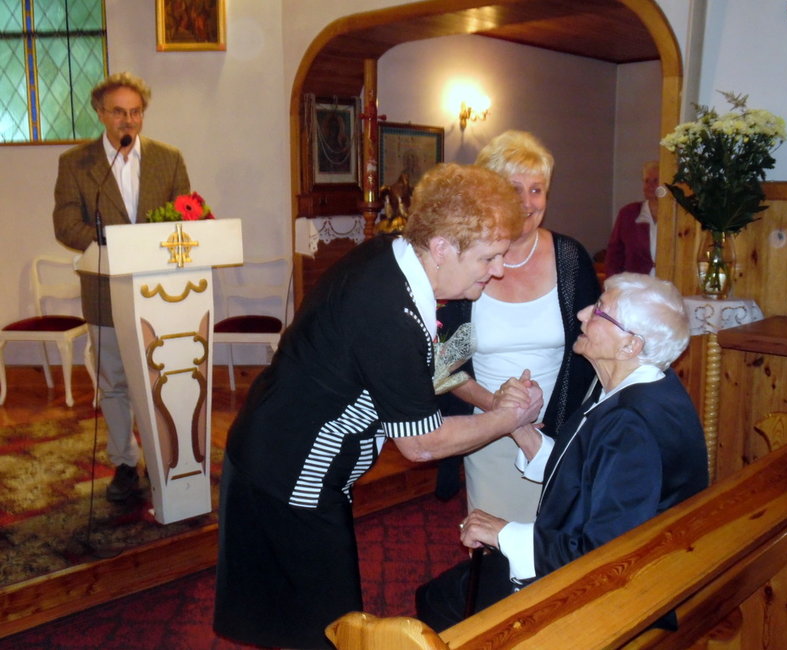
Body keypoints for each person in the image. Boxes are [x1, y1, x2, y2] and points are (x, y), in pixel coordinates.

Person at [213, 163, 545, 649]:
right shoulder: (389, 309)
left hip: (277, 448)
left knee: (300, 620)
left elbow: (430, 364)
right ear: (442, 248)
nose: (497, 270)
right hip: (290, 472)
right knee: (332, 629)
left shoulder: (394, 258)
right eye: (489, 257)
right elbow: (421, 445)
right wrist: (509, 417)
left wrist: (492, 400)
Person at [416, 273, 709, 631]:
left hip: (624, 595)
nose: (583, 313)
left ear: (630, 345)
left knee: (438, 600)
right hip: (645, 565)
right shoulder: (649, 387)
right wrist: (520, 427)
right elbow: (593, 469)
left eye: (599, 310)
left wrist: (504, 533)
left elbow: (605, 553)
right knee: (451, 589)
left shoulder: (631, 424)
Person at [436, 130, 600, 521]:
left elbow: (597, 345)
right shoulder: (467, 262)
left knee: (561, 542)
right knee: (497, 543)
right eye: (514, 189)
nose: (527, 202)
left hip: (562, 433)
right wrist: (499, 409)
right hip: (490, 434)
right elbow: (442, 366)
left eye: (536, 190)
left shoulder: (570, 259)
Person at [53, 72, 191, 502]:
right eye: (118, 112)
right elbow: (65, 224)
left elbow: (185, 217)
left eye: (135, 112)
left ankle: (165, 458)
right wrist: (110, 243)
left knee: (159, 379)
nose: (128, 120)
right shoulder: (76, 163)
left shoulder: (168, 158)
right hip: (104, 287)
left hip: (161, 293)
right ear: (100, 113)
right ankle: (125, 463)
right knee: (113, 380)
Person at [604, 160, 660, 276]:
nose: (650, 186)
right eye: (646, 181)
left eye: (656, 181)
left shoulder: (676, 217)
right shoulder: (628, 213)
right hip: (635, 283)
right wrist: (613, 281)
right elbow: (614, 254)